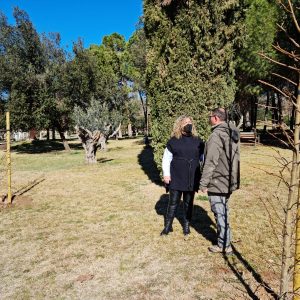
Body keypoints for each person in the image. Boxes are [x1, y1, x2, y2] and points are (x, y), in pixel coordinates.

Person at [199, 108, 240, 254]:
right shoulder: (232, 132)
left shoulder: (217, 135)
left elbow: (210, 161)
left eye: (210, 116)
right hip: (229, 180)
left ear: (215, 118)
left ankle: (224, 245)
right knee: (224, 211)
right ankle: (226, 239)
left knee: (220, 212)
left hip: (218, 181)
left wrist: (203, 183)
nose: (209, 119)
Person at [161, 115, 204, 236]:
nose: (188, 124)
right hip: (176, 176)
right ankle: (168, 227)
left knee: (188, 203)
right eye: (185, 122)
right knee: (173, 202)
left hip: (191, 176)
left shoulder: (198, 141)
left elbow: (203, 158)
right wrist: (166, 175)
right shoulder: (173, 141)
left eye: (190, 122)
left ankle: (186, 226)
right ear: (180, 125)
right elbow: (166, 159)